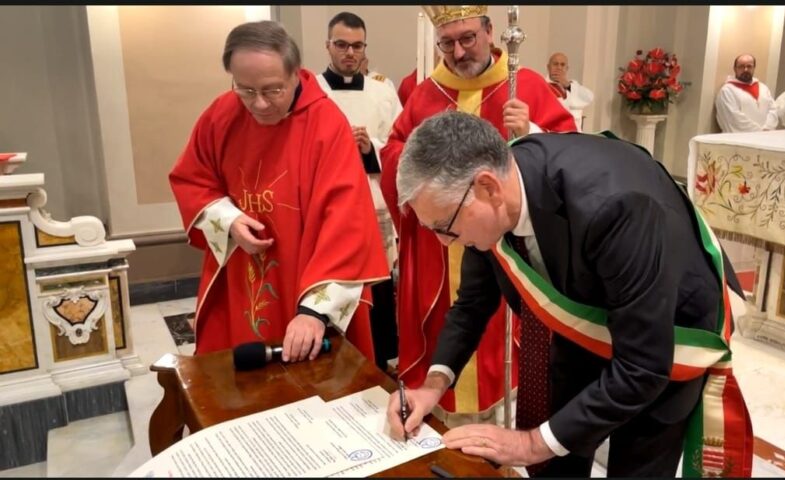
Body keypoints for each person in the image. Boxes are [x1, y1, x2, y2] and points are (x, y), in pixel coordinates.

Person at [386, 111, 752, 477]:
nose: (443, 241)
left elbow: (642, 368)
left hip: (669, 334)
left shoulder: (615, 206)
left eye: (444, 227)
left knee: (637, 462)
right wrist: (432, 387)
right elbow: (472, 305)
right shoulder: (490, 193)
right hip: (584, 326)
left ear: (488, 188)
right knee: (556, 459)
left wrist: (530, 444)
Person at [380, 5, 577, 426]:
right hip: (441, 247)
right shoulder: (425, 92)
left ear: (490, 32)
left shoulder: (524, 85)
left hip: (507, 240)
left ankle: (509, 414)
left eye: (467, 38)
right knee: (457, 318)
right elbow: (395, 151)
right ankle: (441, 404)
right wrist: (416, 153)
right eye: (446, 43)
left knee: (501, 326)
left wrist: (531, 130)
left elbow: (570, 156)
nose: (457, 51)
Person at [169, 21, 389, 362]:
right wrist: (227, 221)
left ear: (294, 75)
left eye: (273, 91)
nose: (258, 104)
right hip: (240, 280)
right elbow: (193, 179)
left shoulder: (326, 125)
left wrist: (314, 312)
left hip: (305, 282)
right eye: (245, 89)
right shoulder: (221, 114)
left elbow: (348, 223)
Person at [315, 12, 402, 371]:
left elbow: (400, 143)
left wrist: (371, 147)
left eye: (356, 46)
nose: (349, 52)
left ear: (364, 47)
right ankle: (334, 354)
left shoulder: (383, 89)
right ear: (328, 46)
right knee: (335, 276)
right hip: (331, 202)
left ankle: (380, 358)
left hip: (375, 200)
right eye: (341, 45)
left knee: (378, 283)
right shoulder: (313, 91)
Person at [715, 53, 778, 132]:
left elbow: (773, 110)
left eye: (749, 66)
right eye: (741, 66)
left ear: (754, 68)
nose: (745, 69)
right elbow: (733, 118)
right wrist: (759, 132)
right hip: (739, 139)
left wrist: (768, 128)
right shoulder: (727, 91)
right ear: (735, 69)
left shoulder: (763, 88)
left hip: (765, 137)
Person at [546, 51, 594, 131]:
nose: (559, 67)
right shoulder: (542, 85)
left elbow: (589, 98)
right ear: (548, 67)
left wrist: (567, 85)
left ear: (567, 68)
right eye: (555, 64)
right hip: (552, 132)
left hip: (574, 132)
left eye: (562, 65)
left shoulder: (572, 85)